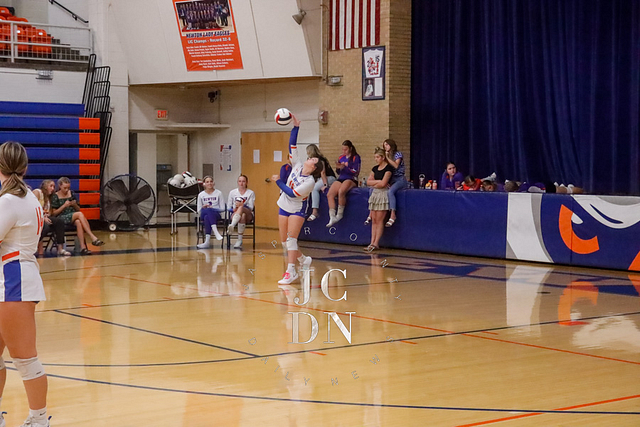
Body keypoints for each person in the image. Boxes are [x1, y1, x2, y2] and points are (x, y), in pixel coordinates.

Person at [0, 142, 51, 427]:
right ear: (25, 167)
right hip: (15, 277)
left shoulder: (10, 201)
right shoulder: (30, 197)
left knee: (25, 358)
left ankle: (38, 420)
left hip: (13, 280)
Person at [271, 114, 323, 285]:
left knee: (292, 240)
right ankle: (303, 259)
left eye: (313, 159)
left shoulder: (309, 182)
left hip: (297, 209)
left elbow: (292, 193)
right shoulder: (297, 165)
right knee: (284, 242)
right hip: (283, 205)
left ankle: (291, 271)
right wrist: (296, 127)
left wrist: (278, 181)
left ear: (314, 167)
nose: (310, 158)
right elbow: (292, 145)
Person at [50, 177, 104, 255]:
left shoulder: (72, 193)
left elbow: (78, 209)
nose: (66, 190)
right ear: (60, 186)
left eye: (68, 188)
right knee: (80, 214)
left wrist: (74, 205)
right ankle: (92, 236)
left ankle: (83, 247)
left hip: (73, 216)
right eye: (65, 188)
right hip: (61, 217)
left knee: (78, 222)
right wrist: (64, 206)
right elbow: (54, 213)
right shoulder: (55, 196)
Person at [364, 139, 406, 227]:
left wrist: (387, 158)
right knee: (372, 190)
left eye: (387, 145)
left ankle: (393, 214)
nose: (385, 147)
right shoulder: (387, 156)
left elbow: (396, 165)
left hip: (399, 179)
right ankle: (370, 212)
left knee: (390, 192)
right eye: (384, 145)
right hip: (391, 179)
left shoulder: (397, 154)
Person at [365, 147, 394, 252]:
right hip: (375, 194)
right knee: (374, 219)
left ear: (383, 157)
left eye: (377, 157)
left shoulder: (388, 169)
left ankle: (376, 243)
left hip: (383, 194)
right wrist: (378, 182)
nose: (376, 159)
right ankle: (371, 242)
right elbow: (368, 181)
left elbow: (383, 183)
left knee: (379, 220)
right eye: (375, 157)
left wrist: (376, 183)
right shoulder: (375, 168)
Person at [326, 140, 361, 227]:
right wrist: (338, 168)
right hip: (341, 178)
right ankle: (332, 216)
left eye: (346, 149)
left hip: (351, 178)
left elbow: (355, 172)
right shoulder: (341, 157)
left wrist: (345, 167)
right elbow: (338, 172)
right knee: (330, 194)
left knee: (341, 191)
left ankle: (340, 214)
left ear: (350, 148)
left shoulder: (355, 157)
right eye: (342, 149)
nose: (344, 151)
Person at [32, 180, 71, 257]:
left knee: (59, 221)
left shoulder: (49, 197)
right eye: (51, 186)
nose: (53, 188)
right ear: (45, 186)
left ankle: (60, 249)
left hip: (44, 217)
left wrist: (46, 215)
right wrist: (43, 217)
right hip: (34, 217)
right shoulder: (37, 192)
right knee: (46, 226)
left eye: (54, 186)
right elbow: (32, 207)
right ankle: (33, 243)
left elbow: (50, 212)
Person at [305, 144, 336, 222]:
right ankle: (305, 209)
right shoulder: (311, 160)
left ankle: (315, 211)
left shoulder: (320, 160)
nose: (307, 154)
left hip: (330, 178)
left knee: (314, 188)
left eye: (308, 152)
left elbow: (323, 173)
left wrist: (325, 185)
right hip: (321, 178)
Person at [196, 176, 225, 249]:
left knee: (207, 216)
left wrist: (213, 209)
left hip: (215, 214)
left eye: (211, 181)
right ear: (204, 184)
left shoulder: (219, 193)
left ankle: (207, 242)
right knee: (207, 211)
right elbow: (198, 210)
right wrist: (204, 207)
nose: (209, 183)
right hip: (203, 213)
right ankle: (215, 231)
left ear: (214, 183)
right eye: (207, 182)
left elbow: (223, 208)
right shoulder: (201, 195)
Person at [227, 175, 255, 249]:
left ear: (247, 182)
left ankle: (232, 225)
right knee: (242, 216)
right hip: (236, 213)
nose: (241, 183)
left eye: (243, 181)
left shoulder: (250, 193)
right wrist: (233, 209)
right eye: (240, 181)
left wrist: (241, 205)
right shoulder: (232, 192)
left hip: (248, 213)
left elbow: (251, 207)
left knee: (241, 207)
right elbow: (228, 207)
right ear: (237, 182)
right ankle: (239, 240)